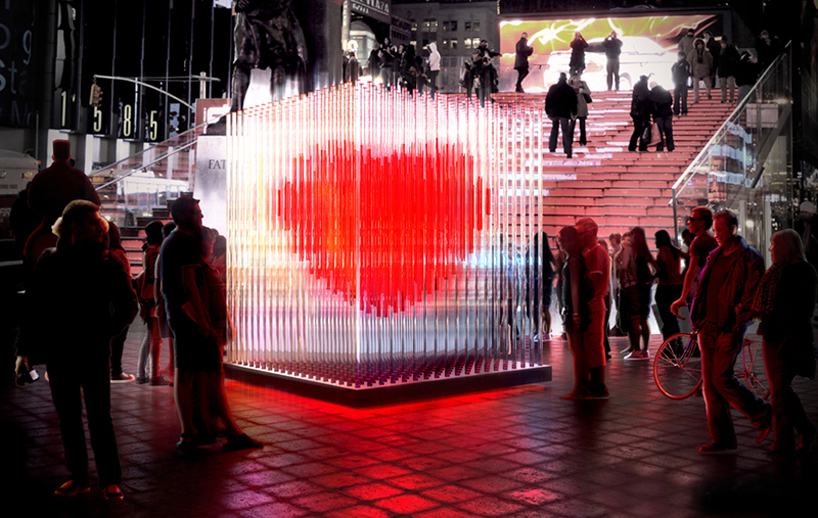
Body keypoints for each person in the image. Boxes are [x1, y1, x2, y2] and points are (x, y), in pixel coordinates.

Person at [15, 200, 138, 500]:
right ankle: (80, 477)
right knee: (69, 417)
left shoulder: (107, 263)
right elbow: (33, 308)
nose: (102, 228)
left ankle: (109, 478)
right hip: (60, 353)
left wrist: (104, 332)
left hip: (93, 352)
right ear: (74, 227)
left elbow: (129, 306)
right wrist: (24, 351)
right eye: (94, 223)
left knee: (99, 416)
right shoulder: (49, 261)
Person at [159, 197, 261, 451]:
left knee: (194, 373)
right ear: (182, 215)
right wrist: (203, 321)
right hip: (191, 319)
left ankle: (199, 429)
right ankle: (203, 431)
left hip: (183, 317)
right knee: (204, 373)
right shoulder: (184, 240)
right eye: (196, 213)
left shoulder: (172, 240)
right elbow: (189, 283)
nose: (201, 217)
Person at [688, 210, 772, 453]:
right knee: (710, 386)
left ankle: (760, 412)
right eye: (715, 230)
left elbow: (753, 294)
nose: (716, 235)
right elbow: (704, 287)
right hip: (708, 327)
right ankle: (722, 439)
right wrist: (698, 316)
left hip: (728, 327)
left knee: (720, 378)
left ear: (733, 229)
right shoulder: (714, 255)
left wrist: (740, 317)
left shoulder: (749, 258)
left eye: (720, 230)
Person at [751, 230, 817, 455]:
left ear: (787, 247)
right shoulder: (774, 272)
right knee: (778, 391)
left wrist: (785, 328)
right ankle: (782, 442)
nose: (771, 249)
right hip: (771, 335)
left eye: (775, 245)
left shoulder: (804, 272)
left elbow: (803, 309)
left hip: (790, 337)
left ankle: (806, 429)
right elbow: (763, 302)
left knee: (780, 389)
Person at [24, 140, 100, 283]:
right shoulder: (79, 177)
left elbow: (32, 202)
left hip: (48, 222)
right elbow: (95, 202)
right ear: (68, 157)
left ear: (53, 156)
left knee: (29, 247)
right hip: (74, 225)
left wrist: (45, 213)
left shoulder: (43, 176)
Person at [557, 226, 592, 399]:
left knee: (577, 350)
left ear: (570, 241)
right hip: (576, 309)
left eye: (561, 239)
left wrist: (575, 313)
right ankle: (582, 387)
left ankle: (581, 389)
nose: (559, 242)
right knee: (579, 350)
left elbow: (574, 288)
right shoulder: (577, 258)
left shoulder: (573, 261)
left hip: (574, 309)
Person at [576, 218, 610, 396]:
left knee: (594, 345)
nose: (578, 238)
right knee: (593, 345)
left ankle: (597, 384)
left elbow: (594, 281)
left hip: (593, 305)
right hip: (592, 305)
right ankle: (595, 383)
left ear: (590, 233)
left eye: (580, 234)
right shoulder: (594, 252)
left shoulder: (596, 253)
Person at [136, 221, 171, 385]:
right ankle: (154, 375)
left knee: (150, 337)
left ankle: (141, 373)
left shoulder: (147, 250)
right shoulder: (156, 252)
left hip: (146, 297)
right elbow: (154, 277)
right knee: (156, 338)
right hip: (152, 298)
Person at [671, 206, 719, 320]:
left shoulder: (698, 241)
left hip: (703, 292)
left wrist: (682, 297)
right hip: (713, 291)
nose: (689, 222)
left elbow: (691, 271)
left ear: (702, 222)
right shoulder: (711, 239)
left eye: (692, 219)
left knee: (698, 325)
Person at [619, 227, 656, 360]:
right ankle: (645, 350)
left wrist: (622, 279)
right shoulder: (645, 251)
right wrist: (651, 280)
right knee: (644, 319)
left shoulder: (629, 250)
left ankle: (636, 351)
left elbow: (623, 268)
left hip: (632, 287)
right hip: (644, 289)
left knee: (634, 319)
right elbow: (657, 267)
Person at [107, 222, 136, 383]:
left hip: (106, 301)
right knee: (118, 338)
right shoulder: (118, 254)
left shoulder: (101, 253)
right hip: (119, 302)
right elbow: (125, 279)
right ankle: (116, 370)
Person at [654, 230, 684, 340]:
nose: (654, 242)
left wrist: (652, 277)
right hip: (677, 287)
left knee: (666, 319)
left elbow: (662, 268)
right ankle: (677, 344)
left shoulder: (662, 250)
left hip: (665, 287)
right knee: (672, 319)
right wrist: (681, 275)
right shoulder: (676, 251)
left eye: (655, 239)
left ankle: (670, 346)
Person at [528, 231, 556, 341]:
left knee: (538, 309)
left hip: (538, 283)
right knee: (545, 309)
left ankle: (539, 331)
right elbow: (557, 265)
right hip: (547, 283)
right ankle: (547, 333)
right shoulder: (547, 252)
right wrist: (552, 275)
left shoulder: (535, 251)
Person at [545, 73, 577, 158]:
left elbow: (548, 100)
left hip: (554, 112)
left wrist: (548, 111)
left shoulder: (553, 88)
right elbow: (574, 102)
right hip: (565, 113)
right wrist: (574, 113)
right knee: (565, 130)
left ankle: (552, 147)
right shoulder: (570, 89)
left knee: (554, 128)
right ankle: (567, 149)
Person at [649, 81, 674, 152]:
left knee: (659, 132)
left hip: (658, 115)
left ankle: (660, 148)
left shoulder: (652, 94)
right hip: (668, 114)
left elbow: (651, 105)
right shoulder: (666, 92)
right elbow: (671, 101)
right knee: (668, 131)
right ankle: (670, 146)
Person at [628, 75, 651, 153]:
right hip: (642, 113)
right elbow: (643, 99)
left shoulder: (637, 86)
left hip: (636, 113)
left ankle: (632, 146)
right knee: (642, 130)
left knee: (637, 130)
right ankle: (641, 147)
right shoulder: (643, 88)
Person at [687, 39, 713, 103]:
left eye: (701, 44)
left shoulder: (706, 53)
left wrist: (710, 68)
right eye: (698, 44)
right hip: (696, 72)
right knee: (695, 87)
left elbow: (711, 60)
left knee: (709, 84)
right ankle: (696, 99)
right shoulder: (692, 53)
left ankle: (708, 93)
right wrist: (690, 71)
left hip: (705, 72)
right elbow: (689, 62)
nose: (700, 46)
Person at [569, 75, 591, 147]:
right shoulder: (569, 84)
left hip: (582, 107)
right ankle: (569, 141)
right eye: (574, 78)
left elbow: (588, 92)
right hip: (573, 107)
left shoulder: (583, 83)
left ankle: (583, 142)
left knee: (582, 126)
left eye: (577, 78)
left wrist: (582, 91)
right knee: (572, 126)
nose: (576, 79)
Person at [717, 38, 740, 103]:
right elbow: (716, 61)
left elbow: (737, 57)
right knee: (723, 86)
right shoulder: (718, 51)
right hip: (722, 71)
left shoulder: (731, 50)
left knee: (731, 85)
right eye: (722, 44)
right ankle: (724, 98)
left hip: (730, 71)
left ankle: (731, 97)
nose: (723, 45)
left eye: (724, 43)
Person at [671, 50, 691, 116]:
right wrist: (674, 80)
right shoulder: (675, 64)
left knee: (683, 97)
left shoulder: (685, 63)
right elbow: (672, 72)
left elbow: (687, 73)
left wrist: (684, 81)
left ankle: (684, 111)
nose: (680, 57)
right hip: (677, 83)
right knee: (676, 97)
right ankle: (676, 111)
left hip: (683, 83)